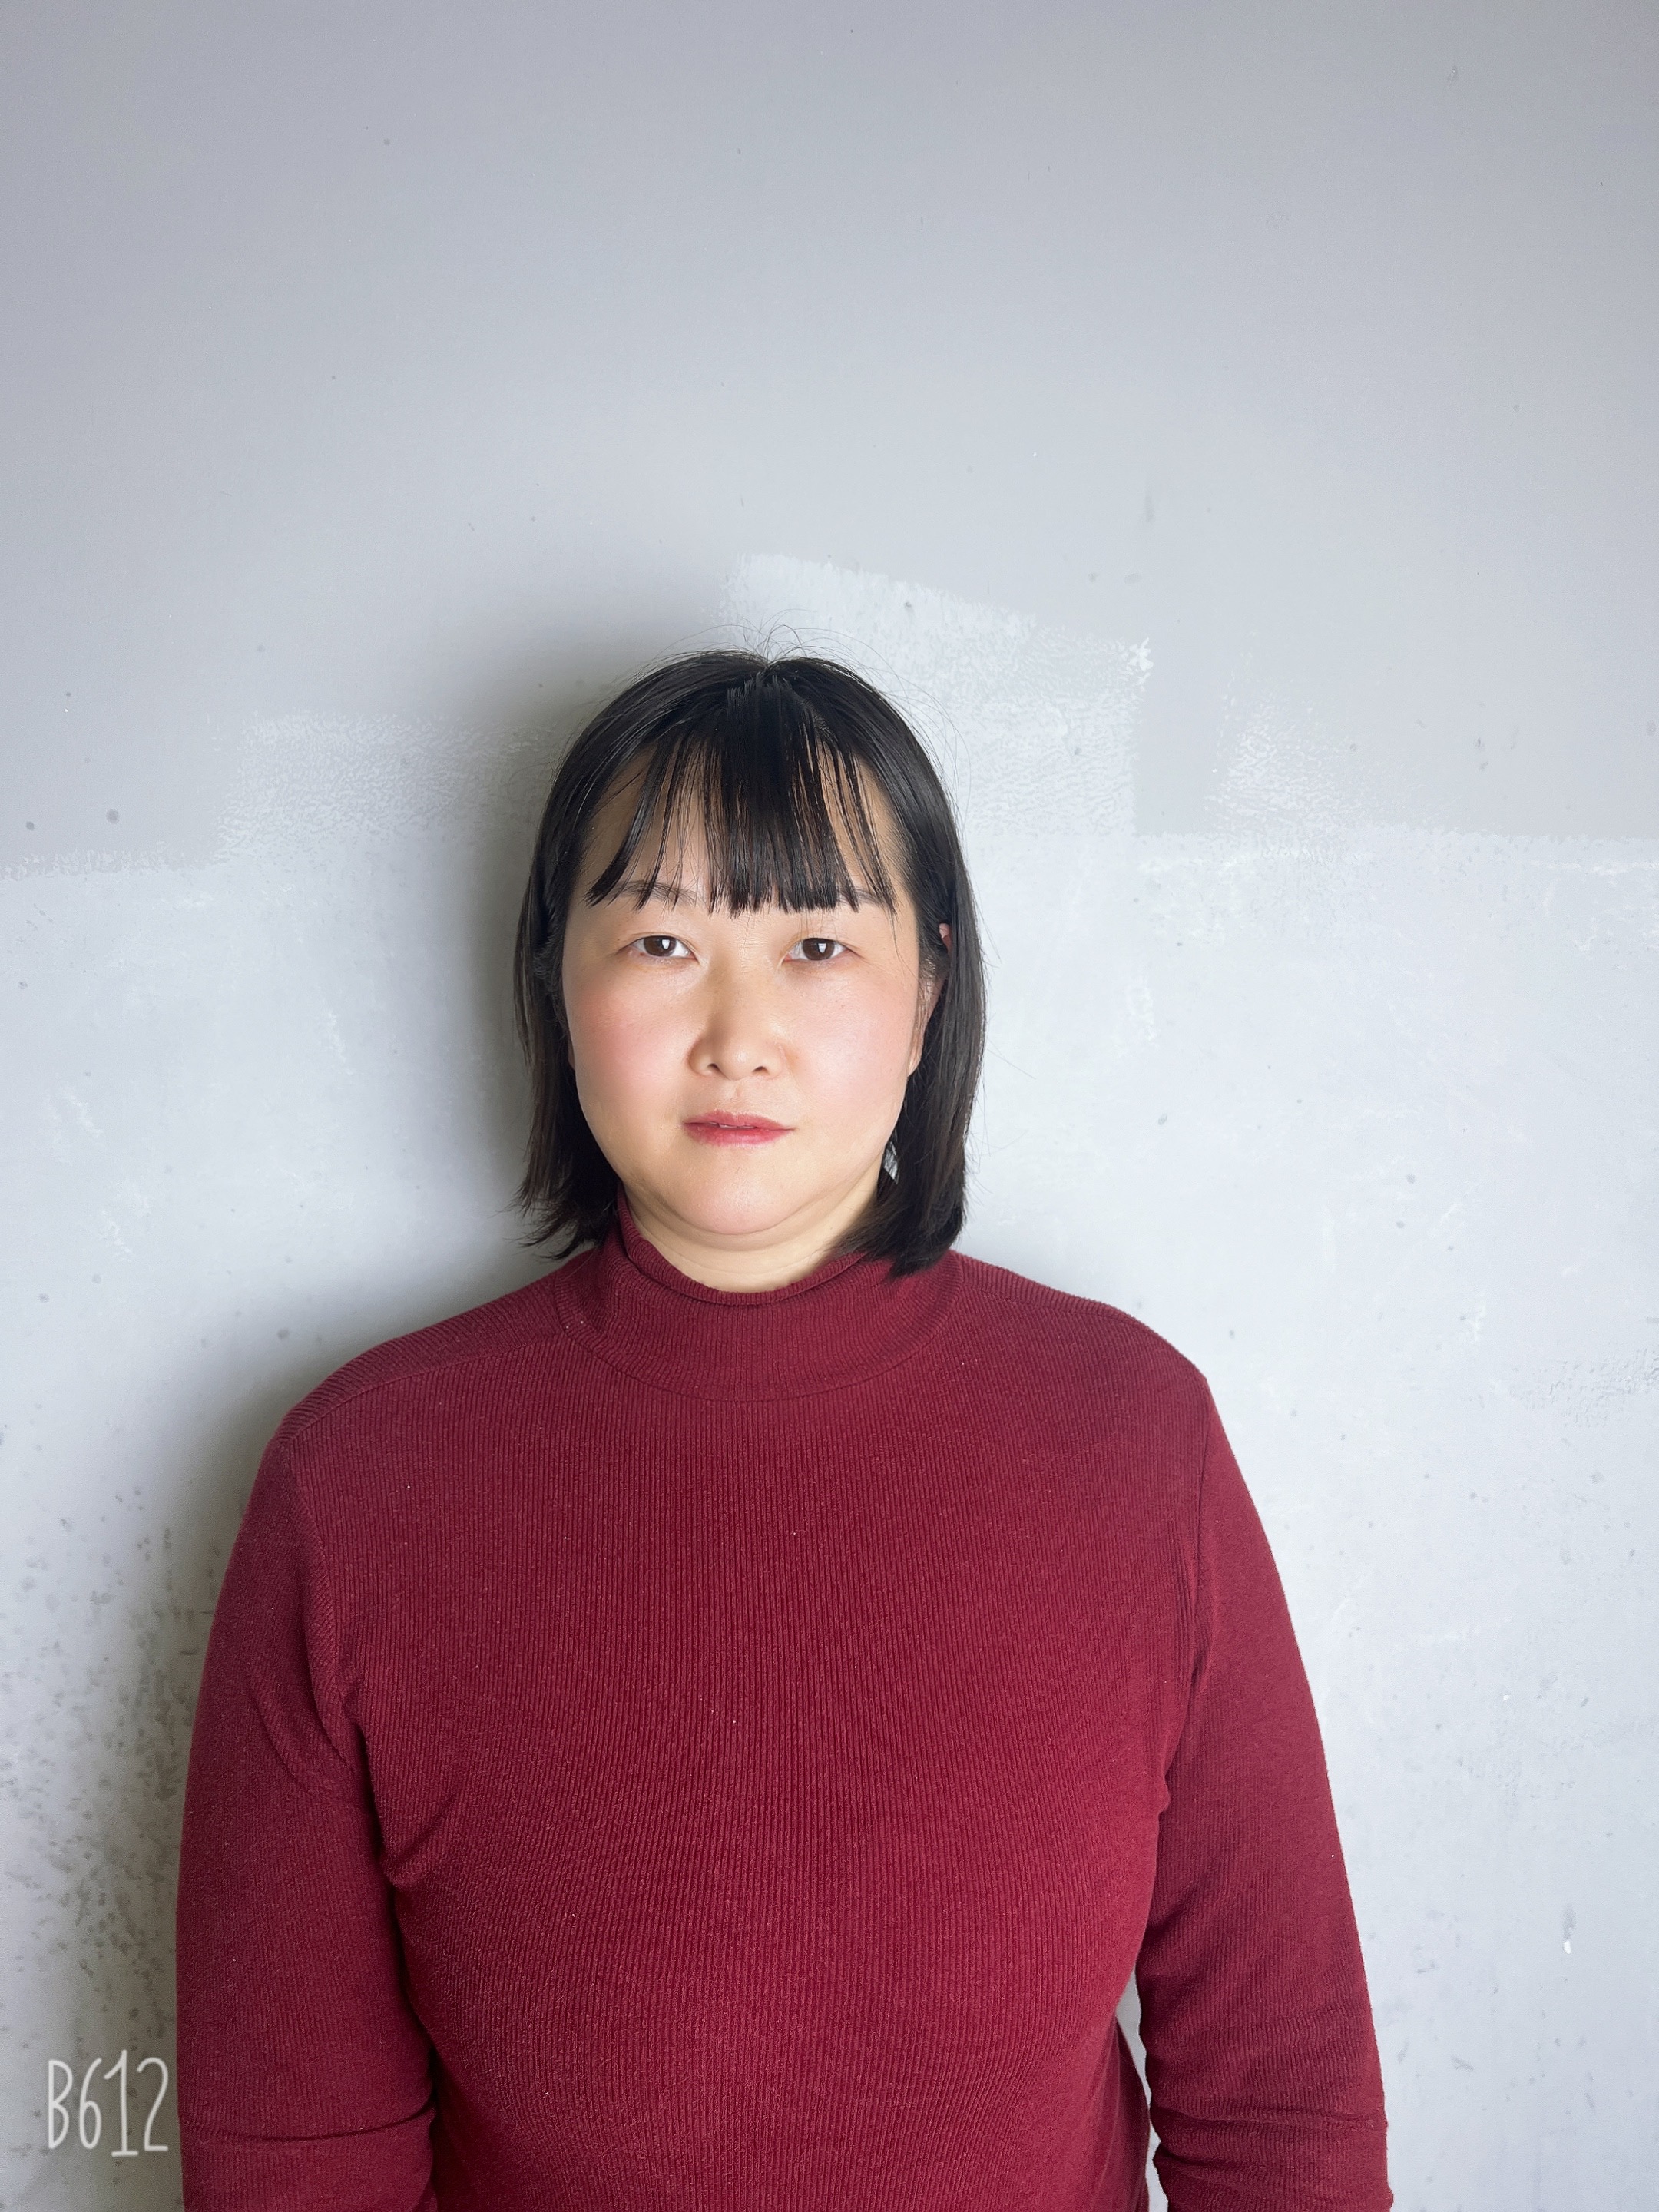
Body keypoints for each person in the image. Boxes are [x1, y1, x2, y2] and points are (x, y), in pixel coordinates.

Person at [174, 650, 1392, 2210]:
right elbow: (291, 2153)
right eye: (662, 940)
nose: (737, 1035)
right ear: (556, 979)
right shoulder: (357, 1484)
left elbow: (1281, 2102)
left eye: (817, 943)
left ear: (930, 986)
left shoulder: (1132, 1438)